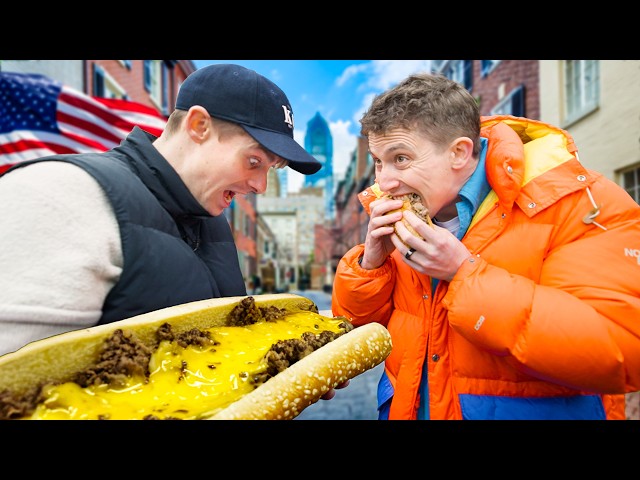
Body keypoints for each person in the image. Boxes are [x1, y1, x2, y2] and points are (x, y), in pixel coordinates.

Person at [331, 72, 640, 420]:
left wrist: (464, 274)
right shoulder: (403, 213)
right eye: (377, 162)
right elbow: (355, 334)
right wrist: (370, 266)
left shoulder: (582, 204)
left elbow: (622, 349)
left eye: (400, 158)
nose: (383, 182)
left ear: (459, 153)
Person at [0, 64, 323, 357]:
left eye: (271, 169)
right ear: (198, 126)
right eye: (254, 161)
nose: (260, 186)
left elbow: (219, 352)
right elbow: (17, 386)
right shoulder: (64, 191)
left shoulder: (214, 224)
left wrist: (278, 361)